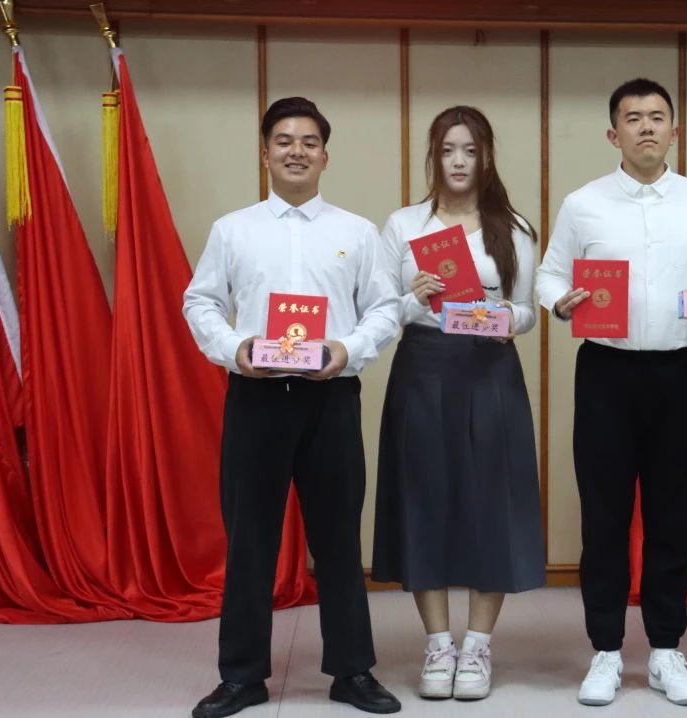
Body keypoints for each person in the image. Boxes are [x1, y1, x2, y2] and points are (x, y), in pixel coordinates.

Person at [183, 96, 403, 717]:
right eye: (284, 141)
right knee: (250, 540)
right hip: (256, 398)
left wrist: (346, 348)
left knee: (338, 540)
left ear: (326, 156)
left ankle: (352, 671)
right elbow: (200, 301)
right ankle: (241, 676)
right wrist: (236, 347)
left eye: (309, 142)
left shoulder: (356, 232)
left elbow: (385, 308)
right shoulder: (233, 230)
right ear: (265, 154)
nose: (296, 151)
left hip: (330, 398)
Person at [535, 78, 687, 708]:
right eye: (633, 118)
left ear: (674, 131)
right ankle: (604, 650)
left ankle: (667, 650)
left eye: (657, 117)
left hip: (679, 374)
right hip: (606, 374)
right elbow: (549, 274)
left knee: (672, 515)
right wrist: (560, 303)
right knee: (605, 517)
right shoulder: (584, 203)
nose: (646, 127)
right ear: (613, 133)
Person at [372, 105, 545, 702]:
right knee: (424, 499)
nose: (459, 161)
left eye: (471, 150)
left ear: (487, 156)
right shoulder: (405, 224)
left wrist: (506, 319)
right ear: (433, 156)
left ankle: (478, 645)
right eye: (448, 150)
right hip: (423, 368)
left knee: (491, 501)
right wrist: (412, 297)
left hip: (490, 370)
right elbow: (381, 310)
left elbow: (528, 310)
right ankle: (438, 643)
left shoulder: (514, 227)